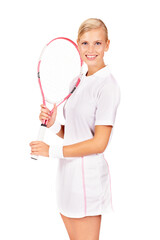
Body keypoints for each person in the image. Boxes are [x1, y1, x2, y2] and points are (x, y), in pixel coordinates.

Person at [30, 18, 120, 240]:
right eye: (85, 43)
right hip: (66, 176)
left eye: (97, 43)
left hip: (87, 180)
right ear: (77, 44)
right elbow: (74, 131)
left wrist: (51, 151)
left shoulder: (108, 86)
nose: (91, 50)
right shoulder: (77, 81)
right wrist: (53, 126)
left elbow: (99, 142)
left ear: (107, 45)